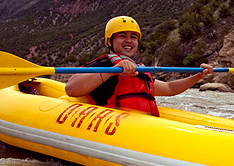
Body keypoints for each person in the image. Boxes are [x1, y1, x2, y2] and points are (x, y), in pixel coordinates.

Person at [65, 16, 213, 117]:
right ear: (109, 42)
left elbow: (169, 89)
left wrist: (199, 75)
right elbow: (71, 88)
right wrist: (112, 71)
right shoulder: (103, 66)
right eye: (122, 36)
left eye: (133, 37)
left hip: (142, 125)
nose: (129, 41)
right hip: (116, 127)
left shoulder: (139, 70)